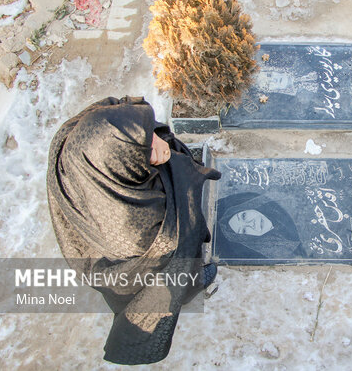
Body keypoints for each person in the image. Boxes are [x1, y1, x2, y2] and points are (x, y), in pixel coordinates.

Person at [47, 96, 221, 365]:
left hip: (96, 219)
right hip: (136, 264)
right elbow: (173, 243)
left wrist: (148, 135)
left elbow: (122, 110)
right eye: (144, 150)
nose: (157, 145)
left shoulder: (84, 138)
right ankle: (192, 284)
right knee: (175, 266)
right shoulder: (133, 227)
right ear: (121, 163)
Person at [215, 192, 307, 260]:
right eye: (243, 230)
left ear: (248, 207)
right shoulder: (272, 256)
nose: (251, 224)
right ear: (246, 239)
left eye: (244, 216)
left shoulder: (290, 208)